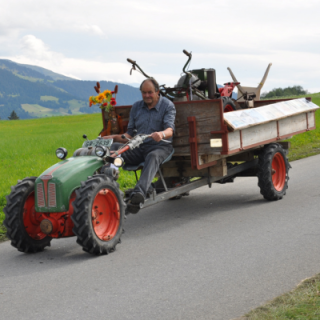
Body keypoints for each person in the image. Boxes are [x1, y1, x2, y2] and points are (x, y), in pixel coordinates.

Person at [103, 78, 176, 212]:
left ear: (157, 92)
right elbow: (130, 134)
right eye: (144, 93)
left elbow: (170, 130)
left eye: (150, 92)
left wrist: (161, 134)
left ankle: (139, 193)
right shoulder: (137, 106)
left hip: (161, 146)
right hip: (139, 146)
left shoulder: (167, 105)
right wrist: (113, 138)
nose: (147, 96)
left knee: (152, 156)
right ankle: (106, 186)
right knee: (112, 149)